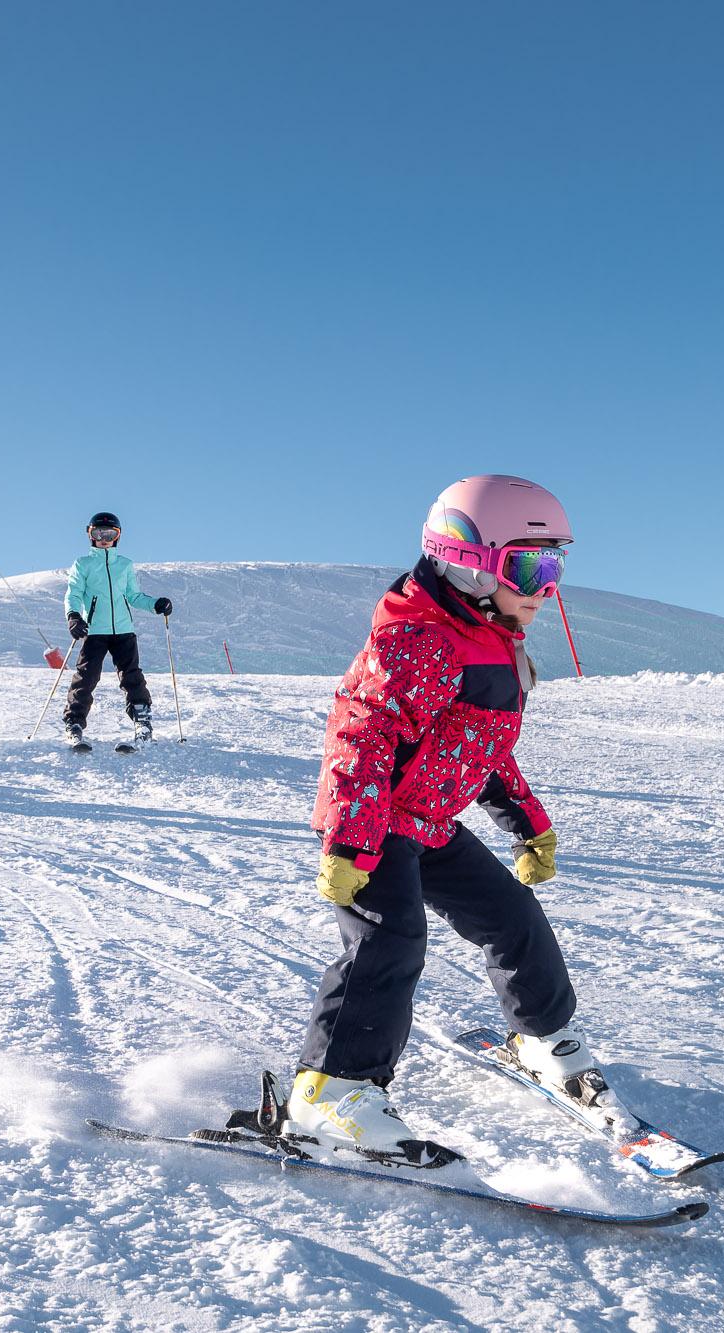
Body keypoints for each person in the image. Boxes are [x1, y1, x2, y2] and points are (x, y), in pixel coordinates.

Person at [287, 474, 586, 1165]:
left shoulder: (490, 633)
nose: (546, 589)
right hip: (377, 822)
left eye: (555, 567)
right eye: (529, 568)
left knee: (513, 917)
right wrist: (350, 839)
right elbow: (361, 733)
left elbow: (481, 747)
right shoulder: (421, 637)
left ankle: (543, 1034)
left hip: (429, 821)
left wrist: (528, 824)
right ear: (468, 561)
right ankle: (331, 1091)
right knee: (390, 941)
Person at [60, 512, 173, 747]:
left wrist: (155, 605)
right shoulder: (83, 564)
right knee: (86, 676)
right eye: (98, 533)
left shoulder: (125, 565)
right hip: (94, 631)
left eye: (110, 534)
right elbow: (74, 592)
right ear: (90, 535)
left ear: (117, 537)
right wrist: (73, 616)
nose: (104, 538)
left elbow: (133, 595)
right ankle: (74, 722)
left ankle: (142, 720)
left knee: (131, 675)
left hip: (123, 631)